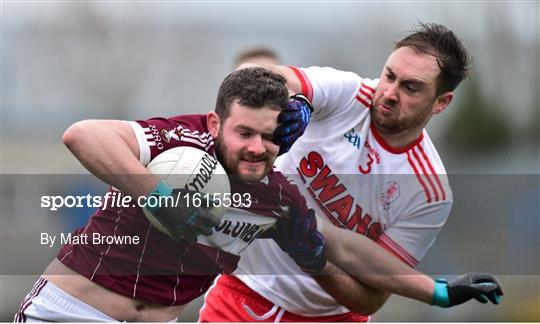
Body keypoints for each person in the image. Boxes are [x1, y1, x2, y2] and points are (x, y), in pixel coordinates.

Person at [199, 22, 500, 322]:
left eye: (410, 87)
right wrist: (297, 100)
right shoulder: (348, 94)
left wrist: (314, 261)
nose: (390, 93)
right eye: (389, 76)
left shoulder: (430, 193)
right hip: (241, 292)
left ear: (441, 103)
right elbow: (249, 73)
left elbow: (368, 296)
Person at [14, 67, 311, 322]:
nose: (257, 146)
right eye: (245, 133)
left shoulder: (279, 197)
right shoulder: (181, 141)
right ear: (215, 124)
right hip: (74, 312)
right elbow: (82, 134)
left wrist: (315, 250)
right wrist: (160, 197)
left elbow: (344, 252)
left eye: (270, 136)